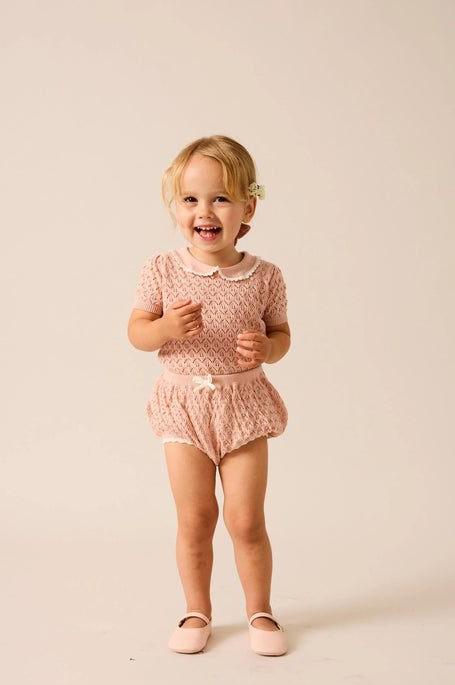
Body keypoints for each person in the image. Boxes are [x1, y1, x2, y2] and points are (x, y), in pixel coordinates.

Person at [127, 135, 291, 656]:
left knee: (246, 520)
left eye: (220, 198)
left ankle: (260, 611)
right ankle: (197, 610)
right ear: (176, 207)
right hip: (184, 409)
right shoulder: (161, 268)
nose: (205, 211)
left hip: (243, 407)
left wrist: (268, 348)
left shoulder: (265, 276)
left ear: (248, 208)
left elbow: (282, 335)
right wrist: (165, 329)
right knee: (196, 518)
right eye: (190, 199)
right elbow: (137, 332)